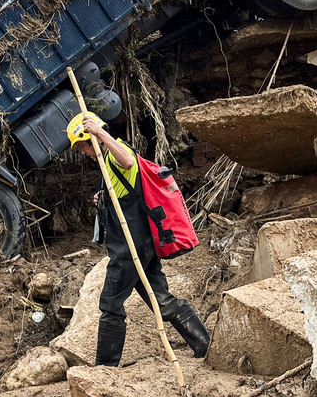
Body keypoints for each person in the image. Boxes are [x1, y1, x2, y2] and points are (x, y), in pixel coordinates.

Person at [67, 112, 211, 366]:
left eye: (82, 146)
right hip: (141, 244)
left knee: (111, 304)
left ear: (91, 138)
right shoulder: (105, 161)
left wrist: (100, 134)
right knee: (162, 302)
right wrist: (104, 201)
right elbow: (125, 190)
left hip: (130, 246)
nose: (82, 153)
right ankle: (204, 345)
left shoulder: (114, 149)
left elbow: (128, 162)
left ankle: (105, 368)